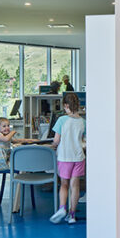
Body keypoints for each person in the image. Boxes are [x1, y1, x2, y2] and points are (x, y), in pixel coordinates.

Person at [49, 91, 86, 224]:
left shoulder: (62, 120)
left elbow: (56, 140)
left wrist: (52, 145)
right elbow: (83, 140)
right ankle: (72, 215)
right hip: (79, 157)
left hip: (65, 157)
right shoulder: (83, 122)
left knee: (64, 184)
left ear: (65, 105)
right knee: (75, 185)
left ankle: (62, 208)